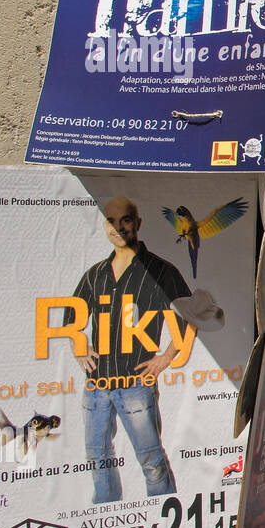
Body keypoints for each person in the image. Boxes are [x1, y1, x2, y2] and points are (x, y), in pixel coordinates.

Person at [66, 197, 190, 504]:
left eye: (125, 220)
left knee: (151, 462)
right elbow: (72, 318)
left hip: (136, 384)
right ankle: (106, 515)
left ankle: (162, 519)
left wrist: (165, 357)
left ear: (137, 223)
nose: (118, 227)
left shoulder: (160, 271)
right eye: (111, 220)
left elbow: (189, 317)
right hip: (97, 384)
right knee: (99, 459)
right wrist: (80, 348)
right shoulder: (96, 274)